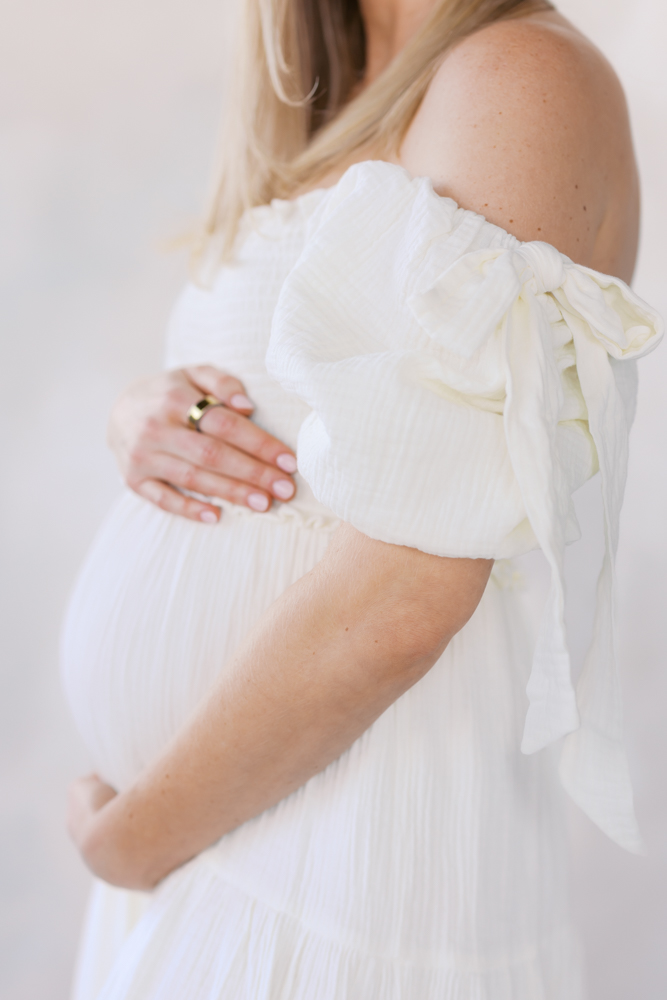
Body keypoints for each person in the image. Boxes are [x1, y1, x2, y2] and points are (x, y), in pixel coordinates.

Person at [61, 0, 663, 997]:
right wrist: (142, 413)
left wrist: (133, 842)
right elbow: (280, 406)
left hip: (344, 881)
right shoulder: (334, 71)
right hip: (222, 851)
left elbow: (402, 601)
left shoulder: (513, 76)